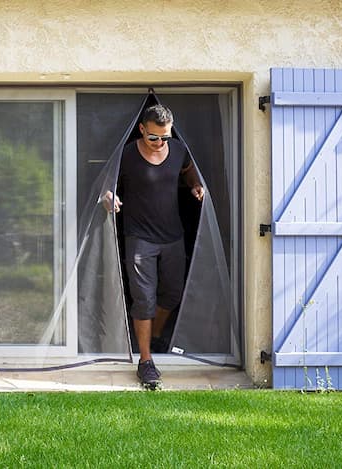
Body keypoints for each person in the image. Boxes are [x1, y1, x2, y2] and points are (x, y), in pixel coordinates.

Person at [103, 104, 204, 388]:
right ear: (141, 130)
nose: (160, 143)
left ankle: (154, 337)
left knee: (172, 294)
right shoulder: (127, 155)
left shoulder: (179, 151)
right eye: (154, 138)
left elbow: (188, 171)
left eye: (165, 137)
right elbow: (107, 183)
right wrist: (110, 197)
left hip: (173, 235)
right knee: (144, 298)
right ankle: (145, 361)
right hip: (139, 237)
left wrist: (195, 184)